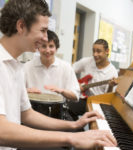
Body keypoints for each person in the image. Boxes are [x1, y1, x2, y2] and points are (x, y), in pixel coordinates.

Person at [0, 0, 117, 150]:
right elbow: (2, 131)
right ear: (21, 26)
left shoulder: (16, 65)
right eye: (42, 30)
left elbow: (26, 114)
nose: (45, 37)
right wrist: (72, 138)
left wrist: (74, 125)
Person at [24, 30, 80, 118]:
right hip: (31, 112)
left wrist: (61, 91)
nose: (47, 50)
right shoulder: (27, 66)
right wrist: (26, 90)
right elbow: (15, 91)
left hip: (57, 113)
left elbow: (75, 96)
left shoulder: (66, 67)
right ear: (38, 48)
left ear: (56, 48)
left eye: (51, 46)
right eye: (43, 46)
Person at [68, 39, 118, 120]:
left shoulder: (112, 72)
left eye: (98, 51)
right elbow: (70, 70)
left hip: (99, 103)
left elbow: (107, 98)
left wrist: (110, 86)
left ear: (107, 51)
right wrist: (76, 84)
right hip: (84, 99)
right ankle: (77, 128)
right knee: (68, 106)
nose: (95, 54)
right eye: (93, 51)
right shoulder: (88, 61)